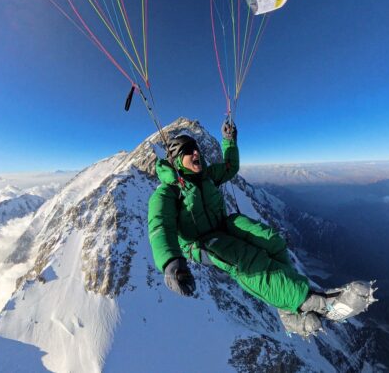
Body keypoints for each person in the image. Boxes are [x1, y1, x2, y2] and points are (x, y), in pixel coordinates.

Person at [147, 119, 357, 336]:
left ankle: (287, 310)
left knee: (271, 239)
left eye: (196, 149)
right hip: (200, 243)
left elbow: (230, 168)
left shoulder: (207, 176)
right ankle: (316, 302)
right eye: (188, 151)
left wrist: (229, 142)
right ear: (177, 160)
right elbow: (160, 227)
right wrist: (171, 262)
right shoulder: (167, 193)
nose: (196, 153)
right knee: (244, 259)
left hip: (223, 226)